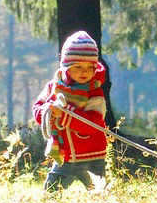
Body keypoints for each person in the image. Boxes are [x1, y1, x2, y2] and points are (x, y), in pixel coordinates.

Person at [33, 31, 108, 191]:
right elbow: (37, 108)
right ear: (66, 67)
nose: (84, 72)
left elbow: (94, 123)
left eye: (90, 67)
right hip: (65, 156)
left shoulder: (95, 92)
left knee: (99, 196)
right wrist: (48, 111)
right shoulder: (53, 87)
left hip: (92, 156)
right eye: (78, 67)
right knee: (51, 192)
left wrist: (65, 114)